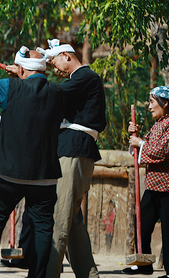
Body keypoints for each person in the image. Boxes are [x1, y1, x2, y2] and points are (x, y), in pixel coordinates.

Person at [0, 46, 64, 278]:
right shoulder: (58, 92)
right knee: (42, 231)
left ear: (21, 70)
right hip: (44, 177)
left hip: (8, 174)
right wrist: (18, 72)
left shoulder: (9, 87)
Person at [39, 39, 106, 278]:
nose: (53, 67)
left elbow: (53, 93)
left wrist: (30, 80)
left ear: (67, 55)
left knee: (60, 218)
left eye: (54, 60)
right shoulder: (75, 82)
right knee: (73, 221)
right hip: (71, 149)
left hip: (74, 150)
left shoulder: (86, 77)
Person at [124, 86, 169, 278]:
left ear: (165, 103)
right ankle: (143, 264)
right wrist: (135, 138)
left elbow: (161, 151)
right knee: (141, 224)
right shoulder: (160, 124)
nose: (150, 106)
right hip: (154, 186)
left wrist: (140, 143)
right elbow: (145, 146)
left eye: (152, 102)